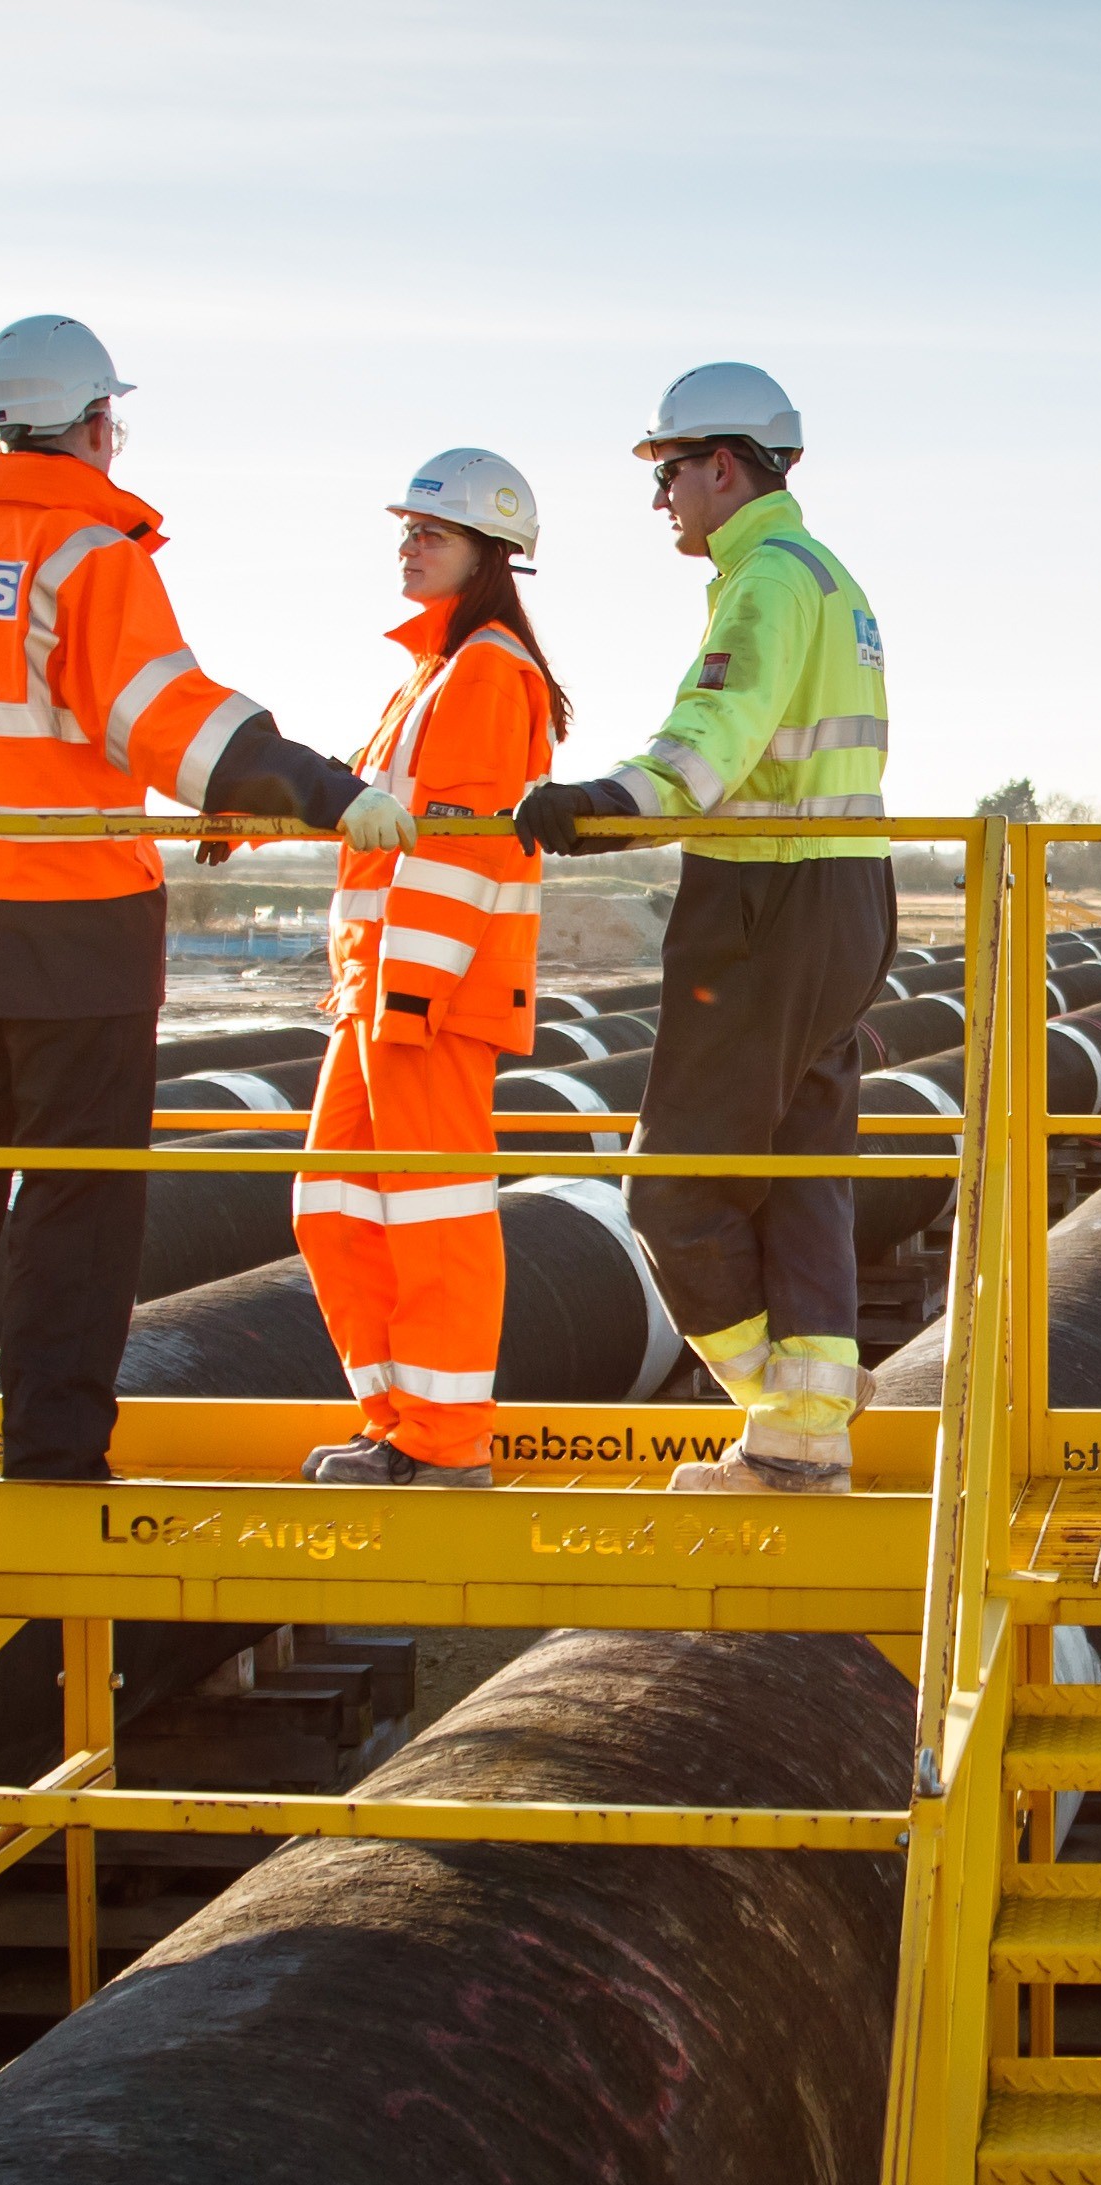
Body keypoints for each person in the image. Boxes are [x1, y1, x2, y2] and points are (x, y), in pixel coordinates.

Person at [0, 313, 362, 1484]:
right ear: (93, 422)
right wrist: (324, 793)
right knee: (78, 1199)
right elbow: (168, 717)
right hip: (72, 925)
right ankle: (55, 1453)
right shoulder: (88, 557)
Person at [513, 362, 893, 1496]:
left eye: (669, 471)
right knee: (804, 1166)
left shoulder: (766, 581)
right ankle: (809, 1427)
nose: (661, 497)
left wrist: (598, 804)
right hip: (846, 896)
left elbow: (712, 739)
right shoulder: (833, 579)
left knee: (674, 1187)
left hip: (765, 901)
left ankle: (776, 1418)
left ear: (723, 464)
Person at [291, 449, 563, 1487]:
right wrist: (260, 822)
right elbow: (381, 815)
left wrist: (412, 992)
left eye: (431, 532)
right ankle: (396, 1420)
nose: (409, 544)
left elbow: (461, 849)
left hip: (426, 995)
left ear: (491, 555)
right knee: (334, 1207)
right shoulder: (433, 671)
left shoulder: (489, 670)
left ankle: (446, 1444)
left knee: (433, 1214)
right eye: (406, 527)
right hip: (375, 990)